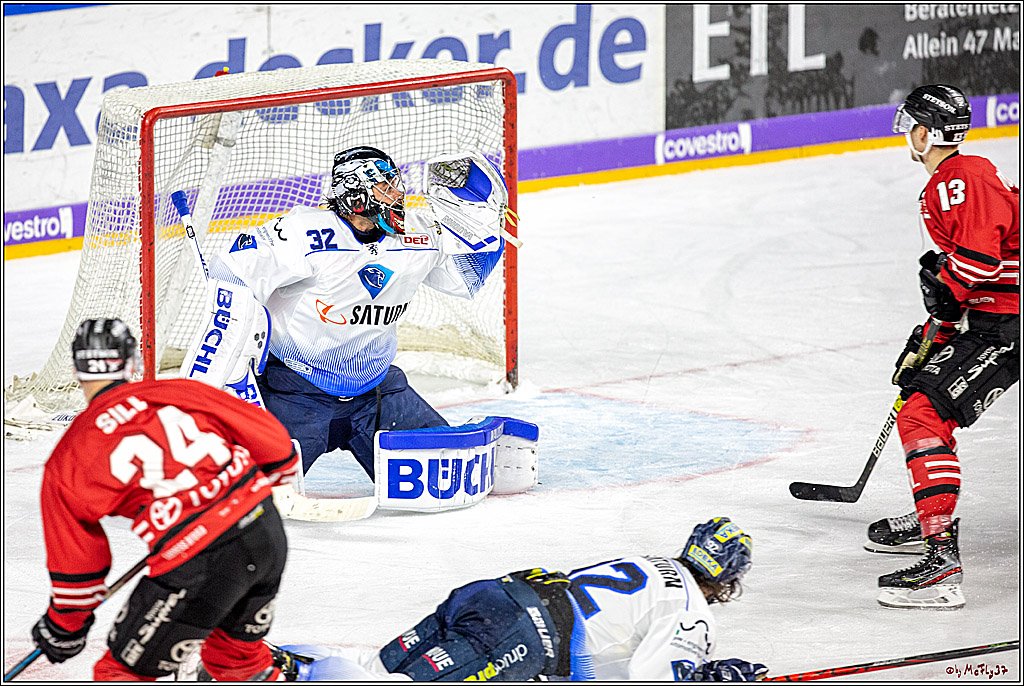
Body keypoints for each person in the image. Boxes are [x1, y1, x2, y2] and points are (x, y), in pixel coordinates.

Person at [204, 146, 506, 480]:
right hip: (296, 391)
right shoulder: (303, 232)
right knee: (240, 488)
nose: (398, 193)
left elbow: (465, 281)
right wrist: (244, 345)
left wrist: (487, 230)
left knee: (450, 474)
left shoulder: (419, 235)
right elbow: (227, 273)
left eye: (396, 182)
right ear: (355, 194)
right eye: (385, 185)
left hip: (377, 393)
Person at [29, 318, 298, 680]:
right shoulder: (180, 392)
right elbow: (278, 448)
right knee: (233, 659)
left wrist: (64, 627)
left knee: (122, 674)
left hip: (201, 559)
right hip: (265, 531)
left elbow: (77, 565)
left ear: (77, 370)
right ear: (132, 364)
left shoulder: (71, 454)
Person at [181, 517, 768, 681]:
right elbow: (651, 675)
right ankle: (265, 676)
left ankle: (261, 663)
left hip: (493, 596)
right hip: (518, 637)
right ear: (730, 580)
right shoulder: (689, 607)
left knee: (375, 667)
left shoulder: (645, 562)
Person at [868, 84, 1019, 610]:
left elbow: (980, 263)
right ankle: (934, 509)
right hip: (994, 318)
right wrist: (939, 329)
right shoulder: (959, 176)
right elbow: (972, 276)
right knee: (924, 407)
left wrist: (944, 304)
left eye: (912, 123)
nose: (906, 131)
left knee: (921, 417)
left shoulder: (961, 179)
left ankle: (942, 568)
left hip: (1008, 325)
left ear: (926, 132)